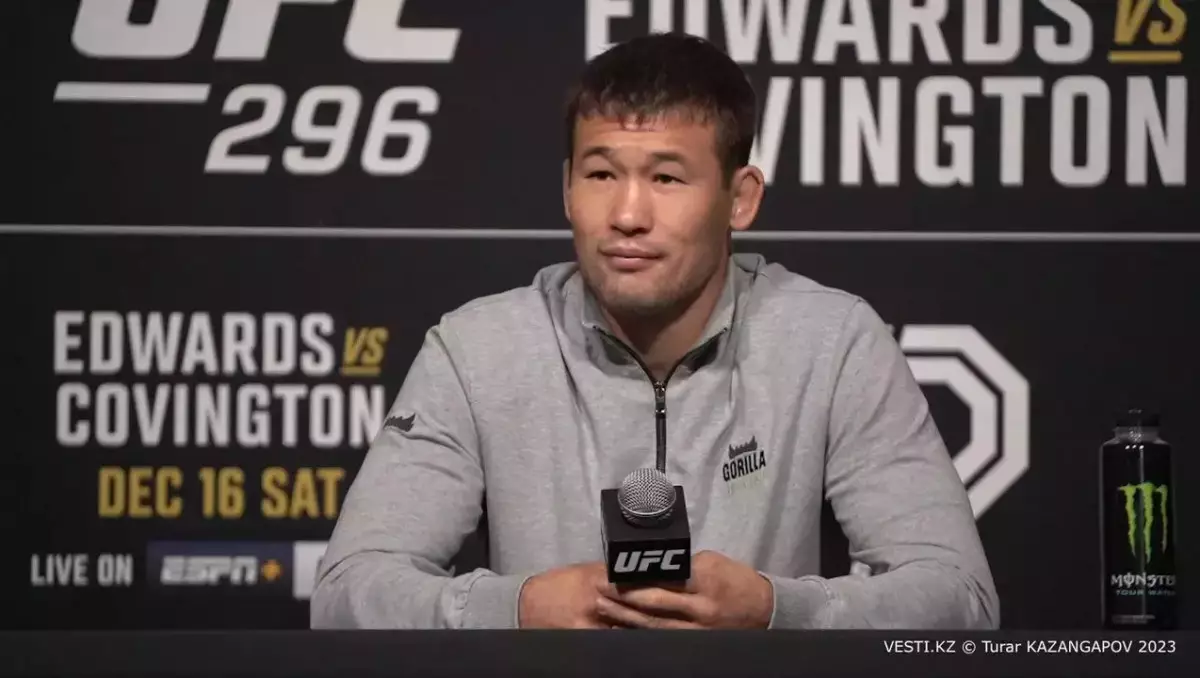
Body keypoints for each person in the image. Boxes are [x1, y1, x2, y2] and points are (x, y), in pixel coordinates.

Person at [310, 32, 999, 631]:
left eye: (667, 178)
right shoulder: (476, 351)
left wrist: (774, 611)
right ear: (567, 189)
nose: (628, 215)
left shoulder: (833, 342)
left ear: (740, 199)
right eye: (601, 173)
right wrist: (518, 608)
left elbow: (959, 596)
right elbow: (347, 594)